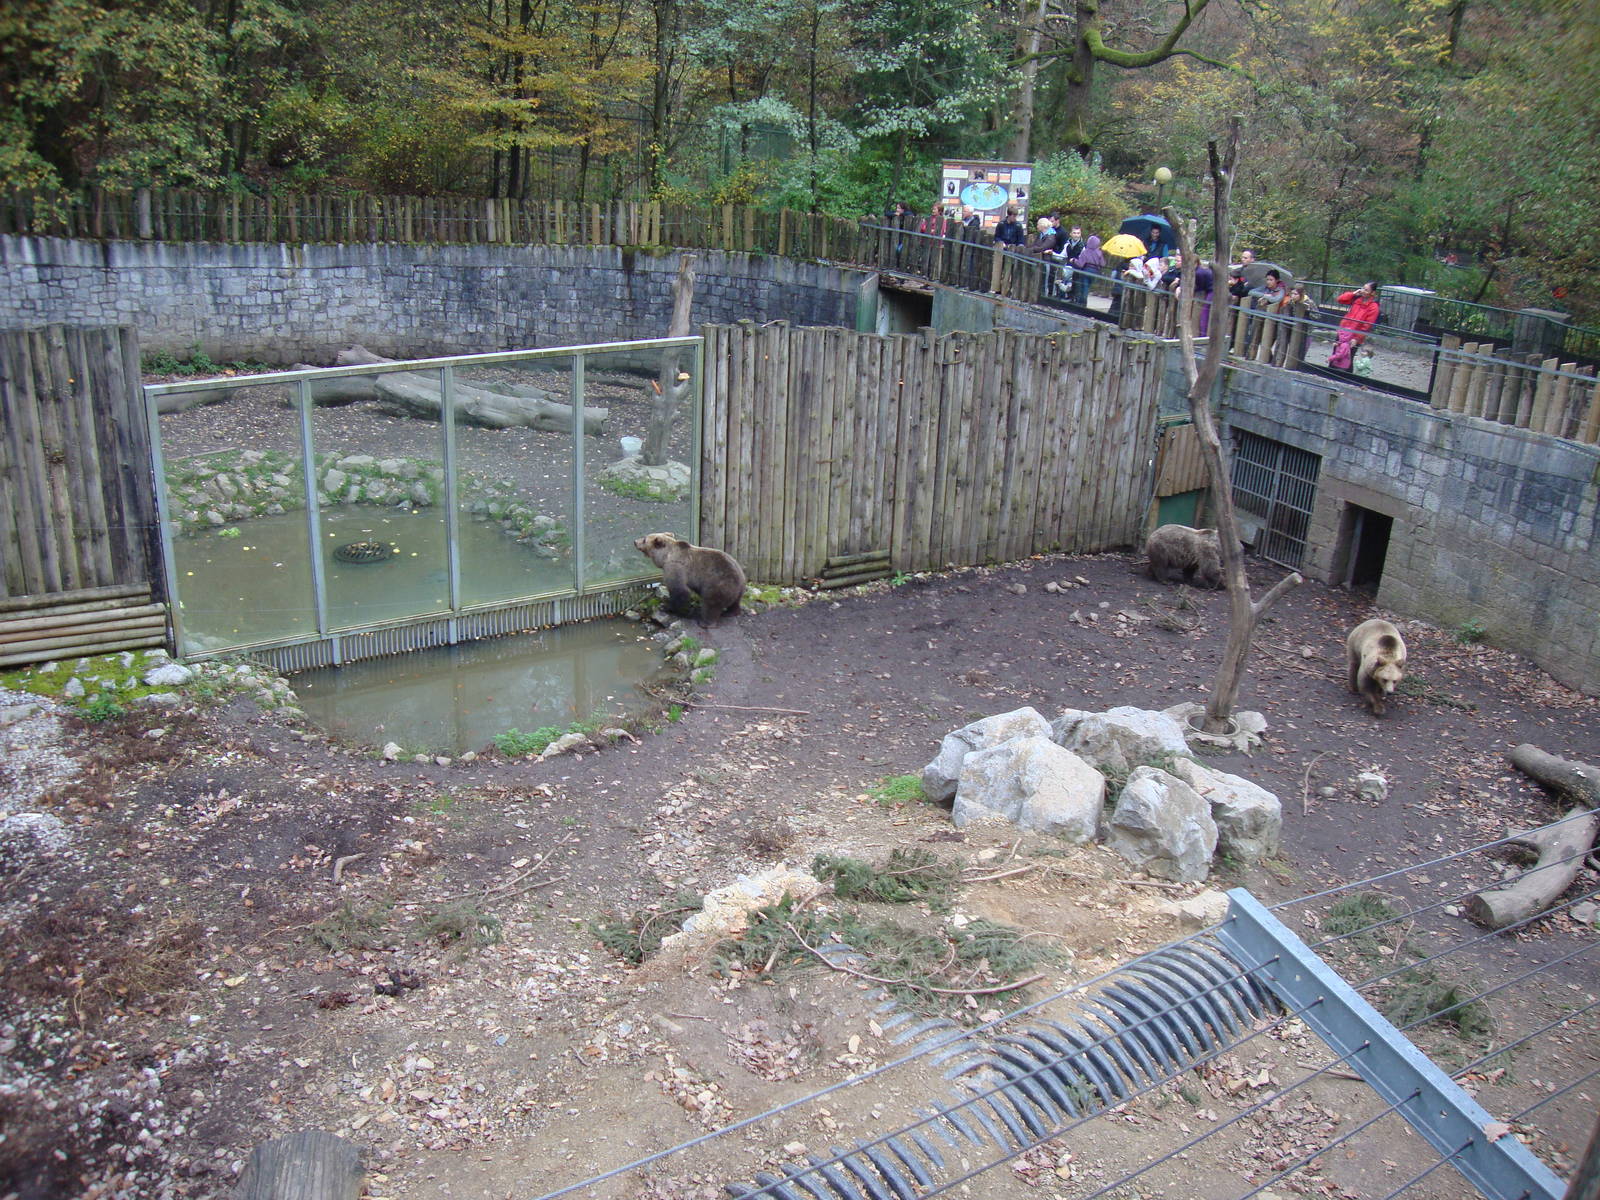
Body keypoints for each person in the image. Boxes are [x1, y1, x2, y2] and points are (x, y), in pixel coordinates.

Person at [1330, 281, 1380, 370]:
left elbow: (1367, 325)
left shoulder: (1373, 307)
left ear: (1373, 293)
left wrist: (1357, 338)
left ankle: (1345, 377)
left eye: (1366, 290)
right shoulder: (1357, 299)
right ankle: (1330, 372)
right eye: (1363, 288)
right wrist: (1353, 293)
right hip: (1343, 331)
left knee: (1348, 356)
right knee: (1336, 353)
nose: (1363, 291)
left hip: (1354, 335)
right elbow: (1340, 299)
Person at [1070, 234, 1104, 304]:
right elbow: (1103, 264)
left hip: (1086, 270)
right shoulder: (1099, 252)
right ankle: (1082, 302)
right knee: (1087, 287)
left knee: (1084, 287)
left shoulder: (1085, 252)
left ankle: (1082, 303)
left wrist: (1073, 260)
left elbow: (1080, 264)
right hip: (1095, 272)